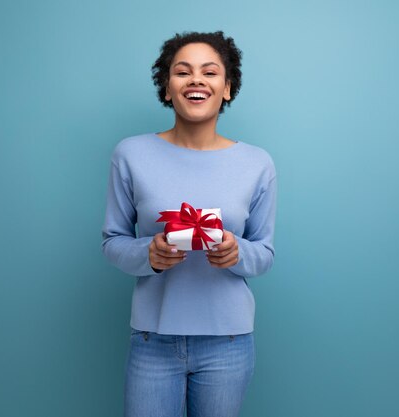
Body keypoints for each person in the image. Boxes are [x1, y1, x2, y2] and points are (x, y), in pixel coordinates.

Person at [102, 31, 277, 417]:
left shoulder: (257, 163)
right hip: (152, 340)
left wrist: (237, 252)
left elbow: (264, 253)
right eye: (183, 72)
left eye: (210, 72)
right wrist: (149, 253)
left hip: (228, 343)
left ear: (227, 88)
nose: (196, 80)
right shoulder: (130, 154)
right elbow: (113, 241)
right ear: (167, 88)